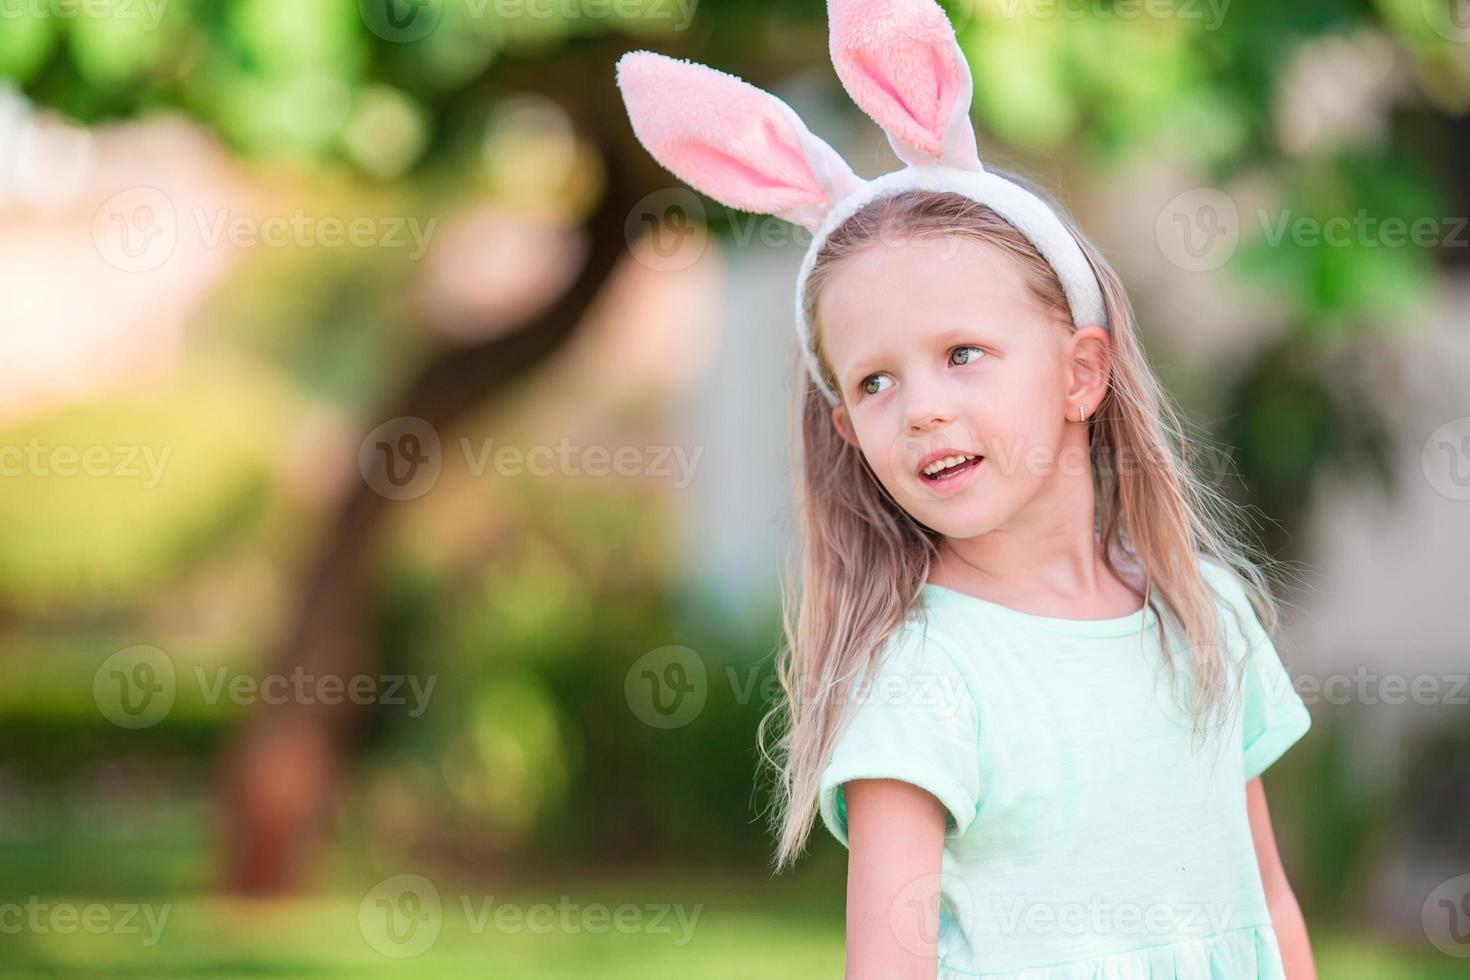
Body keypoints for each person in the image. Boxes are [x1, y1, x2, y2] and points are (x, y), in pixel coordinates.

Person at [616, 2, 1315, 976]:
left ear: (1080, 372)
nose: (922, 409)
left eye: (962, 353)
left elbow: (1267, 901)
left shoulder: (1206, 614)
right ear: (848, 434)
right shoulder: (926, 680)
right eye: (876, 380)